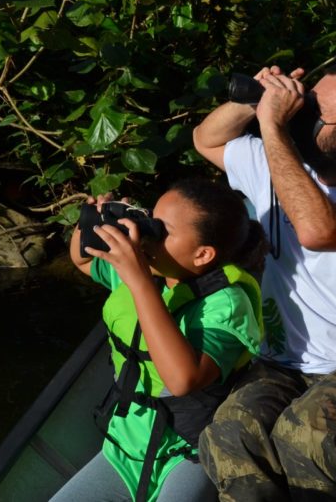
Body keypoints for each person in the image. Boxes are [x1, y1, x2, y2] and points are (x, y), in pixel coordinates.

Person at [192, 63, 336, 501]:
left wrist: (274, 127)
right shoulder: (278, 165)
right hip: (282, 362)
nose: (302, 111)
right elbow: (207, 139)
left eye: (315, 110)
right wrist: (254, 100)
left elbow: (320, 229)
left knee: (310, 435)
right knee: (230, 433)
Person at [52, 179, 268, 502]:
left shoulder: (227, 304)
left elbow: (183, 379)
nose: (149, 232)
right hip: (127, 444)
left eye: (162, 230)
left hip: (191, 451)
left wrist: (139, 280)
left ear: (203, 254)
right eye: (150, 217)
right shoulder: (145, 269)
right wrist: (92, 222)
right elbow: (83, 260)